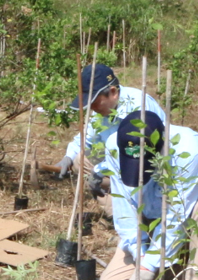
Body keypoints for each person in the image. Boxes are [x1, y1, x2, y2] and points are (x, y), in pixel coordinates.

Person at [96, 110, 198, 280]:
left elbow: (176, 216)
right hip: (151, 224)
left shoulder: (187, 151)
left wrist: (147, 269)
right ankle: (169, 278)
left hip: (191, 224)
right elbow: (125, 211)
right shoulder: (115, 145)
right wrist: (142, 259)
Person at [52, 63, 167, 203]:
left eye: (95, 101)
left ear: (113, 92)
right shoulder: (102, 112)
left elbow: (140, 154)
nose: (92, 108)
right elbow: (86, 140)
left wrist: (100, 169)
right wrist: (68, 157)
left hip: (149, 168)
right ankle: (116, 209)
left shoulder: (139, 108)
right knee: (80, 160)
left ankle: (139, 212)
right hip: (119, 165)